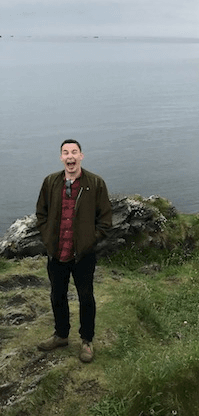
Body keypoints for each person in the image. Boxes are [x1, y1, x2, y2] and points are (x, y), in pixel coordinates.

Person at [35, 139, 112, 363]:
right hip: (57, 252)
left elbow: (105, 220)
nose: (70, 157)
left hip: (83, 255)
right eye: (66, 153)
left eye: (74, 152)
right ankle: (61, 335)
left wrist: (90, 240)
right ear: (61, 157)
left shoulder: (95, 183)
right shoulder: (50, 182)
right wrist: (47, 237)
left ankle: (87, 341)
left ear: (81, 156)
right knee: (57, 296)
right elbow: (41, 214)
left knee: (86, 297)